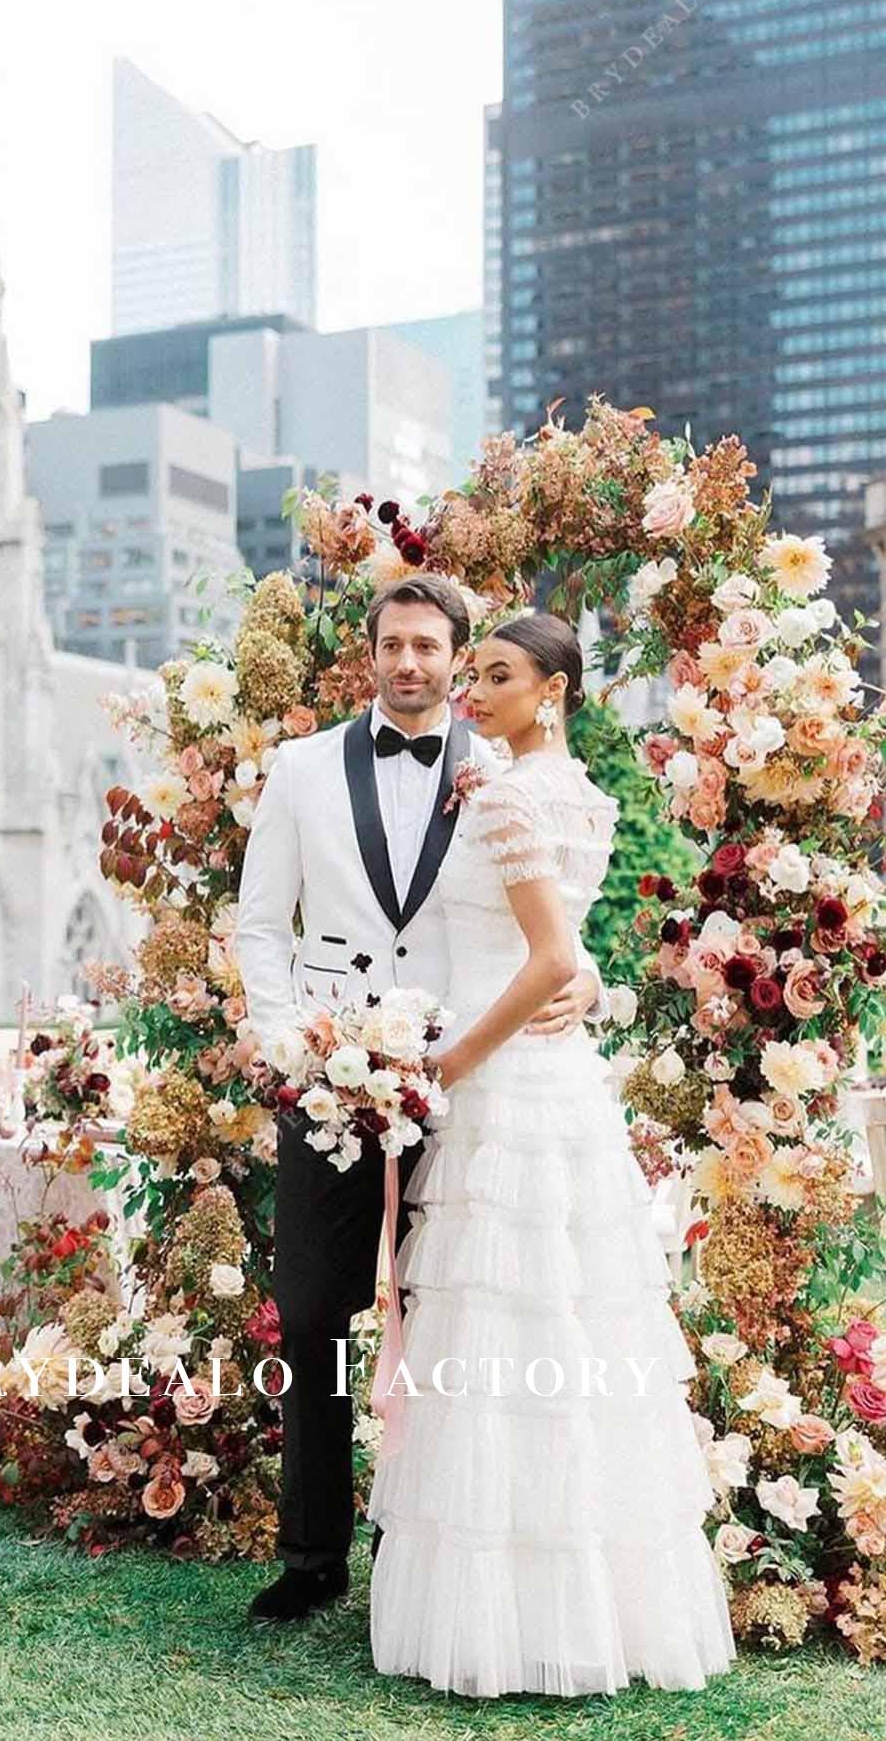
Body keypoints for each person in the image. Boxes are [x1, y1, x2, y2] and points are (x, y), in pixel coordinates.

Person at [368, 612, 737, 1696]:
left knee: (506, 1329)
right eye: (472, 672)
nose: (473, 692)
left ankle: (514, 1616)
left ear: (555, 690)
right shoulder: (584, 797)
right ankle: (589, 1607)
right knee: (569, 1333)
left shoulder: (514, 796)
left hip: (508, 1082)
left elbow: (546, 961)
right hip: (565, 1083)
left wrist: (448, 1066)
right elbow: (569, 965)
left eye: (498, 675)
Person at [234, 577, 607, 1624]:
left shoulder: (505, 773)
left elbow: (557, 926)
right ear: (371, 655)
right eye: (392, 645)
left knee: (447, 1314)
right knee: (315, 1312)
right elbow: (261, 924)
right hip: (331, 1077)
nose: (411, 663)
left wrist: (589, 983)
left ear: (455, 661)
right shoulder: (302, 770)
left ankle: (418, 1544)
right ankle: (311, 1556)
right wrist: (288, 1043)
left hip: (467, 1076)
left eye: (430, 648)